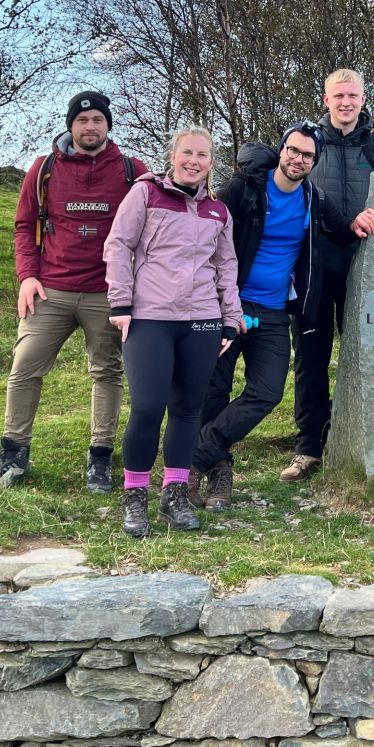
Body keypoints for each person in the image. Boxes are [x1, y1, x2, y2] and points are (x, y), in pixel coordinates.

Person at [189, 123, 374, 511]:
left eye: (307, 155)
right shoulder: (244, 189)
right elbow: (207, 232)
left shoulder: (312, 198)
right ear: (281, 150)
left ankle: (195, 455)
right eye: (293, 150)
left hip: (272, 314)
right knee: (213, 390)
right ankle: (217, 475)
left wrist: (357, 224)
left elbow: (341, 224)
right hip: (228, 307)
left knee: (267, 392)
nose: (298, 159)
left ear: (314, 162)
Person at [0, 91, 147, 493]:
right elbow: (24, 227)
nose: (91, 127)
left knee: (106, 373)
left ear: (108, 126)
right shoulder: (44, 169)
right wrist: (27, 277)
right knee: (24, 366)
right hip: (49, 290)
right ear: (71, 125)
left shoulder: (131, 170)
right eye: (83, 120)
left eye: (98, 120)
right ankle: (13, 454)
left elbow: (148, 229)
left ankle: (100, 459)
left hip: (107, 293)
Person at [104, 127, 244, 537]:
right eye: (187, 153)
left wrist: (231, 320)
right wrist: (121, 303)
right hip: (150, 318)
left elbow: (226, 267)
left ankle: (175, 494)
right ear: (173, 156)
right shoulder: (145, 194)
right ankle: (134, 497)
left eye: (202, 155)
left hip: (202, 320)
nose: (194, 161)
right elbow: (118, 246)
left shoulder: (218, 211)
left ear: (210, 162)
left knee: (187, 410)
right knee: (148, 407)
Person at [288, 69, 374, 481]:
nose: (346, 102)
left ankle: (365, 436)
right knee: (311, 359)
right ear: (326, 98)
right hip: (314, 265)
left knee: (368, 355)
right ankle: (309, 446)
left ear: (363, 99)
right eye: (339, 95)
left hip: (365, 269)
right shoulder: (308, 145)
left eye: (353, 95)